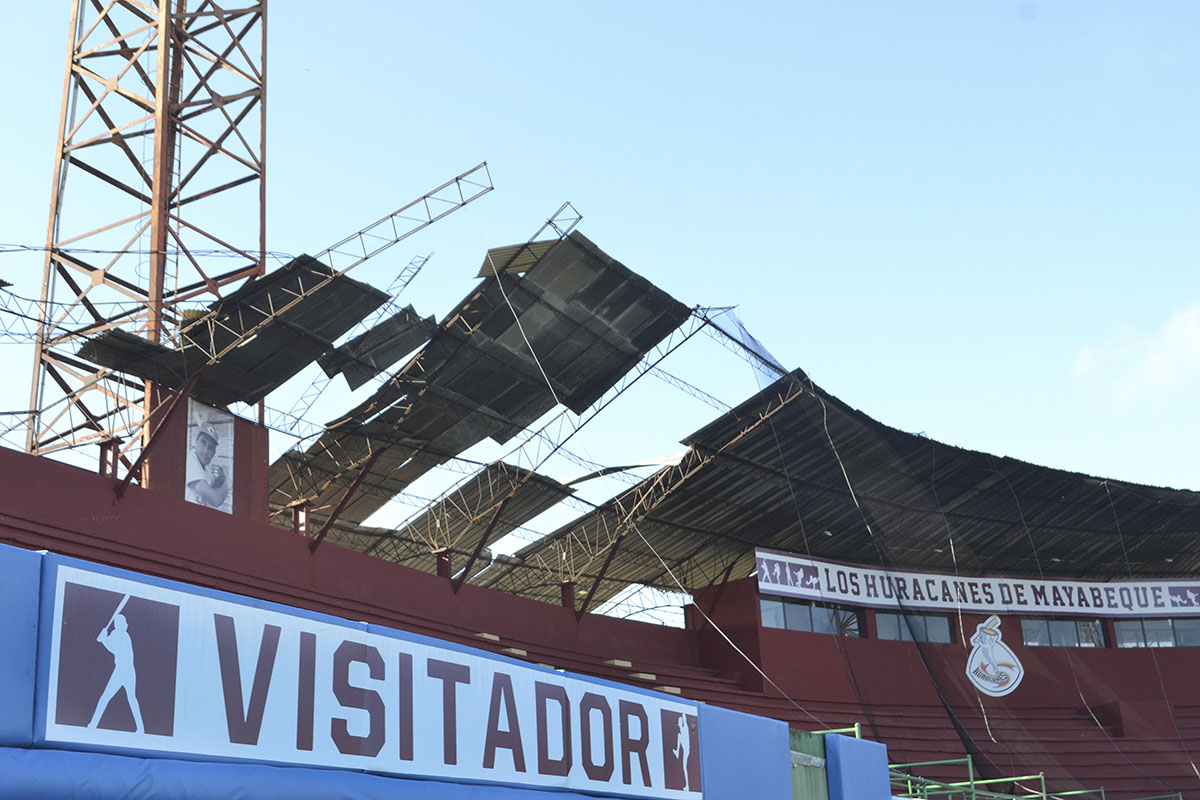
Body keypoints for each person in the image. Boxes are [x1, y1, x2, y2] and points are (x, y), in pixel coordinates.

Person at [89, 612, 144, 733]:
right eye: (117, 623)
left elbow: (114, 649)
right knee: (105, 698)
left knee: (131, 699)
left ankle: (141, 728)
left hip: (127, 671)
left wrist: (103, 639)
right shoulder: (115, 634)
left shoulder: (124, 636)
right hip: (120, 670)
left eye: (120, 623)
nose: (118, 625)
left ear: (123, 625)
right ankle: (93, 724)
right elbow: (109, 643)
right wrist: (103, 637)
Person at [186, 422, 229, 509]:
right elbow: (216, 500)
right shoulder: (189, 460)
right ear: (196, 441)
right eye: (203, 443)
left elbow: (210, 489)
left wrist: (220, 480)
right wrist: (229, 481)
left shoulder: (206, 467)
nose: (205, 451)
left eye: (210, 447)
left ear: (214, 453)